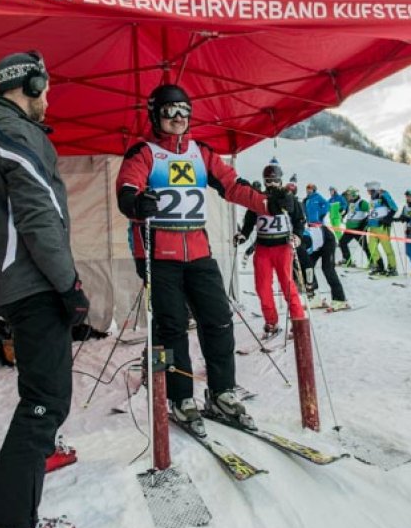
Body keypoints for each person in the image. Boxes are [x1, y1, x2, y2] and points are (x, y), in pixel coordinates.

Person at [0, 51, 86, 528]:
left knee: (41, 395)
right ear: (29, 85)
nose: (48, 99)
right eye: (45, 89)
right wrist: (69, 284)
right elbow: (39, 216)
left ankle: (36, 461)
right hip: (32, 284)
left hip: (13, 282)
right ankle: (12, 526)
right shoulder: (13, 133)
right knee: (45, 402)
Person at [116, 83, 289, 436]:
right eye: (169, 111)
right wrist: (136, 203)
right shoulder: (144, 153)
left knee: (219, 319)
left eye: (184, 110)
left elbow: (233, 186)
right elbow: (127, 189)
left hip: (197, 251)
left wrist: (268, 204)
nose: (178, 117)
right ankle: (181, 398)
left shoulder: (201, 153)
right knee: (173, 326)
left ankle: (222, 393)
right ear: (154, 115)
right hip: (157, 254)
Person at [236, 163, 306, 338]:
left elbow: (299, 220)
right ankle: (271, 322)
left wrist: (297, 236)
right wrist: (243, 235)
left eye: (275, 180)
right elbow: (249, 222)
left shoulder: (289, 198)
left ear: (280, 180)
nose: (272, 184)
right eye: (268, 180)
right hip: (263, 248)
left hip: (283, 247)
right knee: (262, 287)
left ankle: (298, 321)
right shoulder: (259, 198)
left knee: (287, 285)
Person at [297, 225, 349, 311]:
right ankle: (314, 298)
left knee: (328, 269)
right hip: (314, 244)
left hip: (327, 239)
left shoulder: (299, 247)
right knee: (306, 270)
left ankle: (340, 300)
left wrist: (308, 284)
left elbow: (308, 266)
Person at [364, 181, 398, 276]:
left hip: (382, 227)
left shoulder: (383, 195)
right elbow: (373, 211)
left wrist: (386, 219)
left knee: (386, 247)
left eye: (369, 190)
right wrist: (367, 221)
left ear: (374, 189)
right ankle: (379, 266)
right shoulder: (372, 198)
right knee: (371, 247)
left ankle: (392, 267)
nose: (368, 192)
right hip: (373, 226)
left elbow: (394, 208)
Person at [337, 187, 369, 266]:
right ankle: (347, 260)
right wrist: (343, 215)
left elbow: (371, 211)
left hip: (358, 229)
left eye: (349, 195)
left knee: (364, 246)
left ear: (354, 195)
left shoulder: (362, 203)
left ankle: (373, 262)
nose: (348, 197)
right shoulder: (351, 203)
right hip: (349, 229)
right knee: (342, 242)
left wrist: (365, 222)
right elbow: (351, 212)